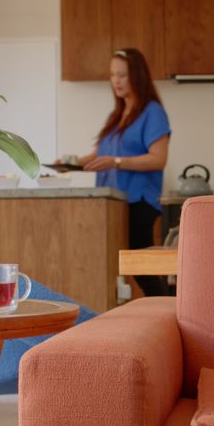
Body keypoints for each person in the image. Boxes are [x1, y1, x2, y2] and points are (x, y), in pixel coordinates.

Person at [66, 48, 171, 296]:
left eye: (122, 75)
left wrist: (116, 162)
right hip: (115, 204)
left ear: (137, 76)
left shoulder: (152, 112)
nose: (116, 81)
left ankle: (171, 310)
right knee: (124, 267)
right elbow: (99, 155)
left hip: (139, 202)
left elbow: (158, 159)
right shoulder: (118, 114)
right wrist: (68, 163)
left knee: (141, 268)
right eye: (113, 75)